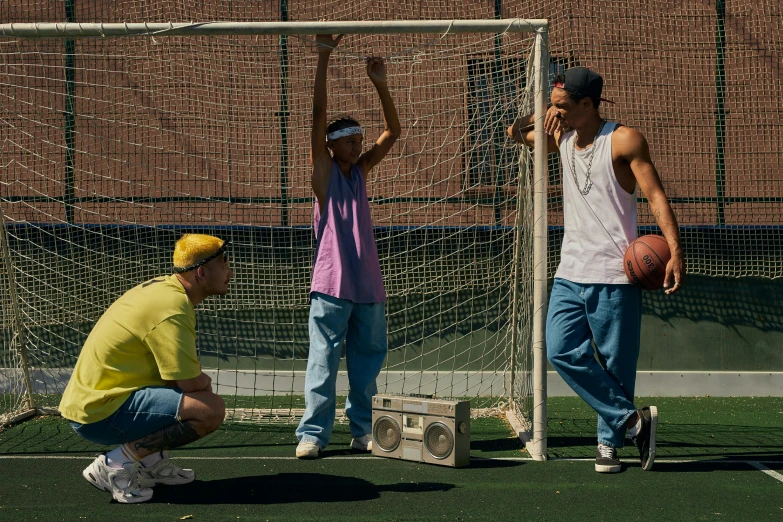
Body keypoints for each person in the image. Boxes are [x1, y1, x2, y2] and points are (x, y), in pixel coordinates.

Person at [508, 67, 685, 473]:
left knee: (615, 364)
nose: (557, 113)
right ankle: (633, 422)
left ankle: (609, 445)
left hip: (617, 274)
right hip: (570, 270)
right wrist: (540, 115)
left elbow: (656, 196)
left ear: (587, 105)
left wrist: (675, 250)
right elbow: (514, 133)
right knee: (560, 350)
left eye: (562, 106)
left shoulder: (623, 140)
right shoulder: (560, 135)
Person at [59, 234, 232, 502]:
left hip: (104, 400)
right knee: (210, 411)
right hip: (100, 411)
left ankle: (153, 464)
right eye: (224, 263)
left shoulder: (168, 290)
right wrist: (204, 386)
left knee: (190, 397)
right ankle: (115, 464)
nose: (229, 271)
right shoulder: (172, 307)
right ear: (201, 273)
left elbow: (174, 380)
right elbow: (188, 383)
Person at [295, 34, 401, 459]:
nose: (359, 145)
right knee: (323, 361)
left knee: (367, 364)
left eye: (361, 140)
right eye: (350, 140)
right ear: (331, 145)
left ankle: (362, 429)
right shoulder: (325, 175)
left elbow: (393, 131)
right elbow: (318, 114)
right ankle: (313, 435)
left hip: (369, 285)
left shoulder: (361, 172)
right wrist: (324, 56)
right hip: (332, 284)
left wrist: (380, 83)